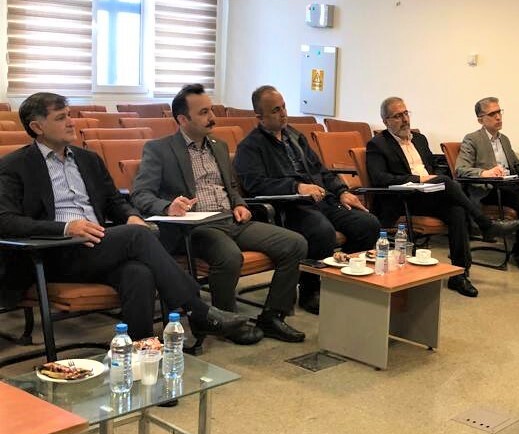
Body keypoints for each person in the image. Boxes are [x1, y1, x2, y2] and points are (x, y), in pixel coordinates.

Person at [0, 92, 250, 343]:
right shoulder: (14, 165)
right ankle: (198, 311)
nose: (71, 122)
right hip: (52, 252)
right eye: (61, 118)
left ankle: (140, 349)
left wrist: (131, 216)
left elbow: (115, 202)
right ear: (37, 127)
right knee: (137, 236)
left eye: (69, 115)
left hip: (96, 248)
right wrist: (66, 228)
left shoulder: (87, 159)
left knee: (138, 273)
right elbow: (6, 221)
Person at [132, 84, 309, 344]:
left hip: (230, 219)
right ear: (183, 119)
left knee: (295, 243)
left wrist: (239, 204)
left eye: (211, 110)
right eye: (203, 112)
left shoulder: (219, 146)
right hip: (196, 227)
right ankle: (227, 321)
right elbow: (140, 194)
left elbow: (232, 188)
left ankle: (272, 316)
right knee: (229, 256)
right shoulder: (159, 150)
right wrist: (168, 206)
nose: (212, 117)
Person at [234, 86, 381, 314]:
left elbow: (320, 171)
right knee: (321, 231)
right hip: (289, 207)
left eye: (283, 107)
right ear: (260, 117)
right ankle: (310, 289)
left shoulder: (295, 137)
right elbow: (256, 185)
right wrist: (296, 186)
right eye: (275, 110)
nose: (283, 113)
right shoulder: (250, 147)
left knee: (367, 224)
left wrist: (342, 191)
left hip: (320, 200)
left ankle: (342, 283)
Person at [366, 97, 519, 297]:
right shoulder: (378, 144)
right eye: (397, 116)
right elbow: (380, 178)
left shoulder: (419, 139)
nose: (405, 119)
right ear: (385, 121)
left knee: (456, 210)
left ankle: (459, 274)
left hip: (428, 196)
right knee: (447, 182)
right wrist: (419, 179)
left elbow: (433, 167)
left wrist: (432, 179)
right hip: (402, 198)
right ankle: (484, 224)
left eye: (406, 114)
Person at [455, 97, 519, 270]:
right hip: (491, 190)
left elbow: (517, 165)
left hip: (512, 186)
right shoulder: (472, 139)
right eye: (492, 114)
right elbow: (461, 169)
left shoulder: (503, 139)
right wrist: (485, 173)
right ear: (481, 119)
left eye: (499, 112)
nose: (498, 117)